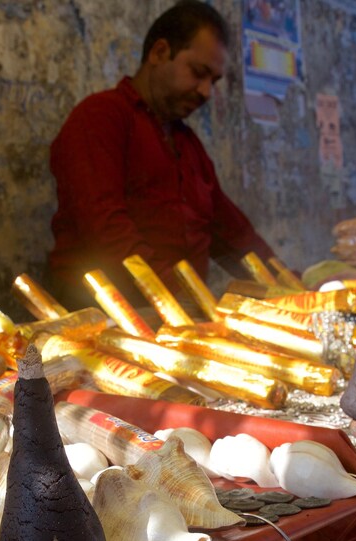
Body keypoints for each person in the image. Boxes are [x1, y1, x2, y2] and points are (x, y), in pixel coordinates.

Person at [46, 0, 275, 309]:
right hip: (102, 316)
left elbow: (232, 233)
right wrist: (181, 298)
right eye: (198, 73)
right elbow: (107, 232)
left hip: (177, 316)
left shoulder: (187, 143)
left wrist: (287, 285)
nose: (206, 91)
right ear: (159, 53)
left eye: (214, 81)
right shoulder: (100, 118)